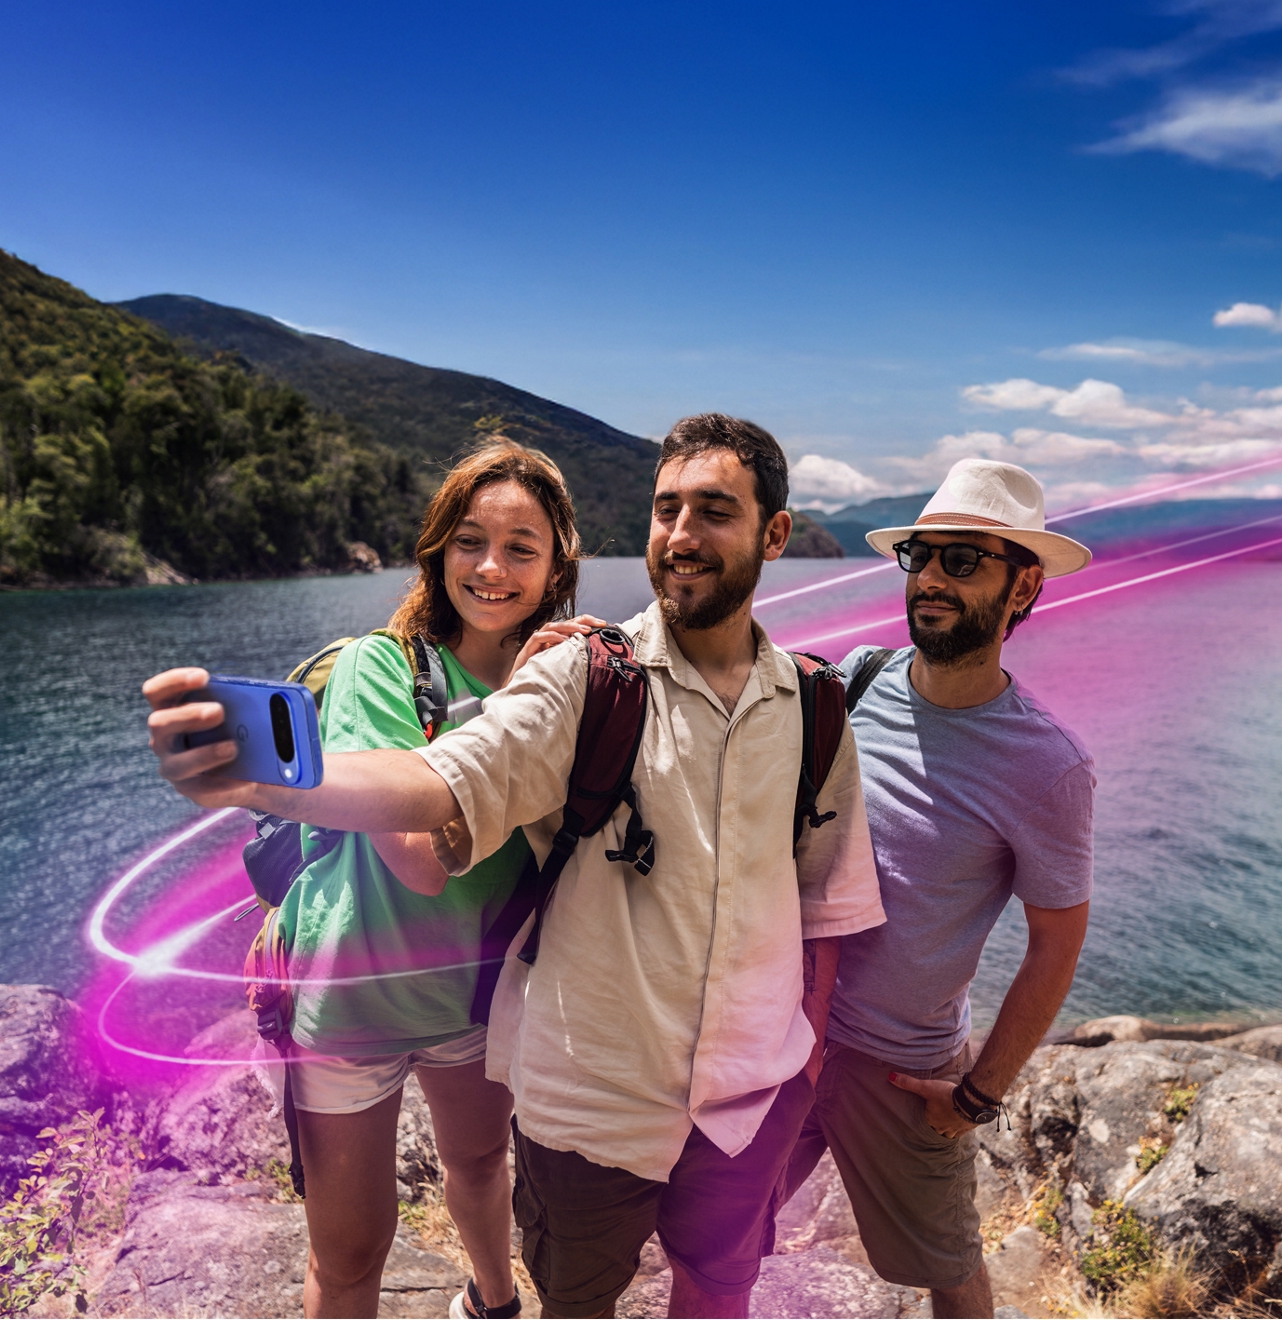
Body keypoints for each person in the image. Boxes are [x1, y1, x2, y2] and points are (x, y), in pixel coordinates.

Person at [144, 413, 884, 1320]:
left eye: (714, 511)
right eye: (666, 509)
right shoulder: (528, 676)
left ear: (774, 533)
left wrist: (801, 1067)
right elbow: (426, 796)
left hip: (503, 1010)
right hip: (412, 1024)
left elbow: (823, 906)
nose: (683, 534)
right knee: (378, 1255)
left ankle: (489, 1301)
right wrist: (277, 775)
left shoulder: (780, 701)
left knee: (555, 1208)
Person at [244, 440, 595, 1320]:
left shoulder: (569, 675)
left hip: (474, 995)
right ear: (437, 548)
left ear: (557, 564)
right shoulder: (380, 665)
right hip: (352, 1000)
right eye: (470, 539)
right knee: (352, 1250)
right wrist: (523, 712)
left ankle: (493, 1303)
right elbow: (415, 856)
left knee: (481, 1165)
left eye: (522, 547)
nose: (491, 567)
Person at [783, 457, 1096, 1320]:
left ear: (1023, 585)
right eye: (920, 556)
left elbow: (1056, 941)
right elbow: (721, 688)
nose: (930, 579)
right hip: (786, 1035)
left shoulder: (1048, 766)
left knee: (948, 1266)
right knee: (725, 1229)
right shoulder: (857, 680)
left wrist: (980, 1093)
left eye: (962, 561)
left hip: (900, 1069)